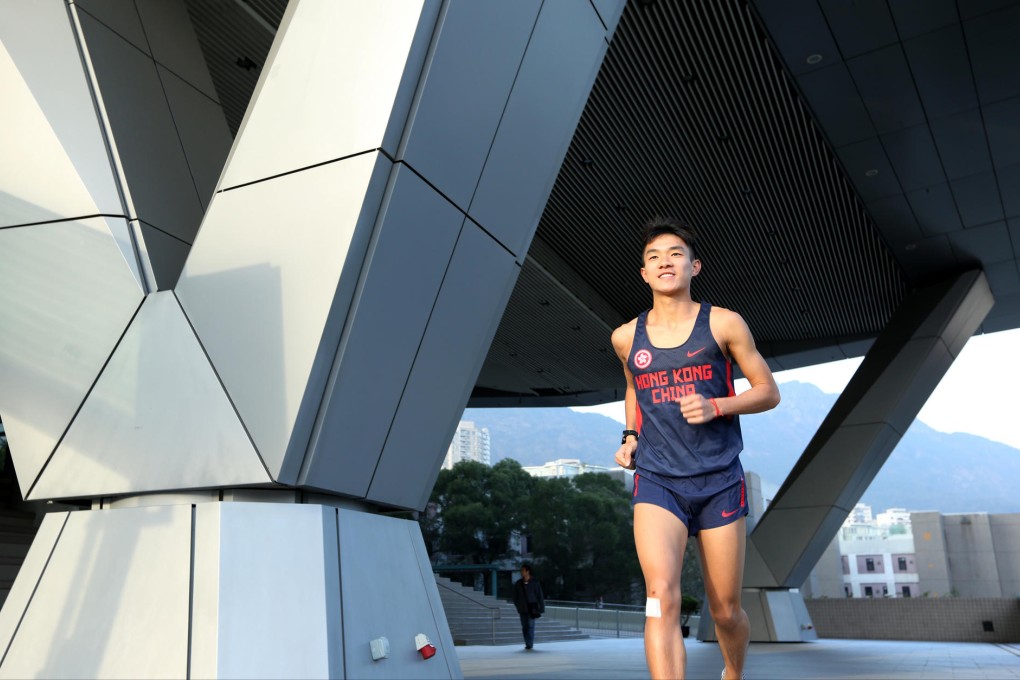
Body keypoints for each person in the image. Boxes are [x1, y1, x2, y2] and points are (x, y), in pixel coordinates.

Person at [612, 216, 780, 680]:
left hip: (720, 480)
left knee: (725, 610)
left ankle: (733, 671)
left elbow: (768, 391)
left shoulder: (724, 323)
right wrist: (630, 436)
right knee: (659, 596)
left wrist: (718, 405)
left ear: (694, 266)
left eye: (675, 254)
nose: (665, 262)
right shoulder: (626, 337)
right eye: (654, 257)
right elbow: (633, 388)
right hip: (658, 480)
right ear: (643, 273)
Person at [512, 563, 545, 650]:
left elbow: (539, 596)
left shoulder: (535, 582)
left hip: (532, 608)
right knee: (524, 627)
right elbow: (515, 597)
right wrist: (518, 606)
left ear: (528, 571)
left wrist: (541, 608)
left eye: (523, 570)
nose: (521, 572)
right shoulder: (518, 584)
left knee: (530, 626)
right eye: (521, 571)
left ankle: (529, 644)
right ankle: (527, 642)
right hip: (522, 609)